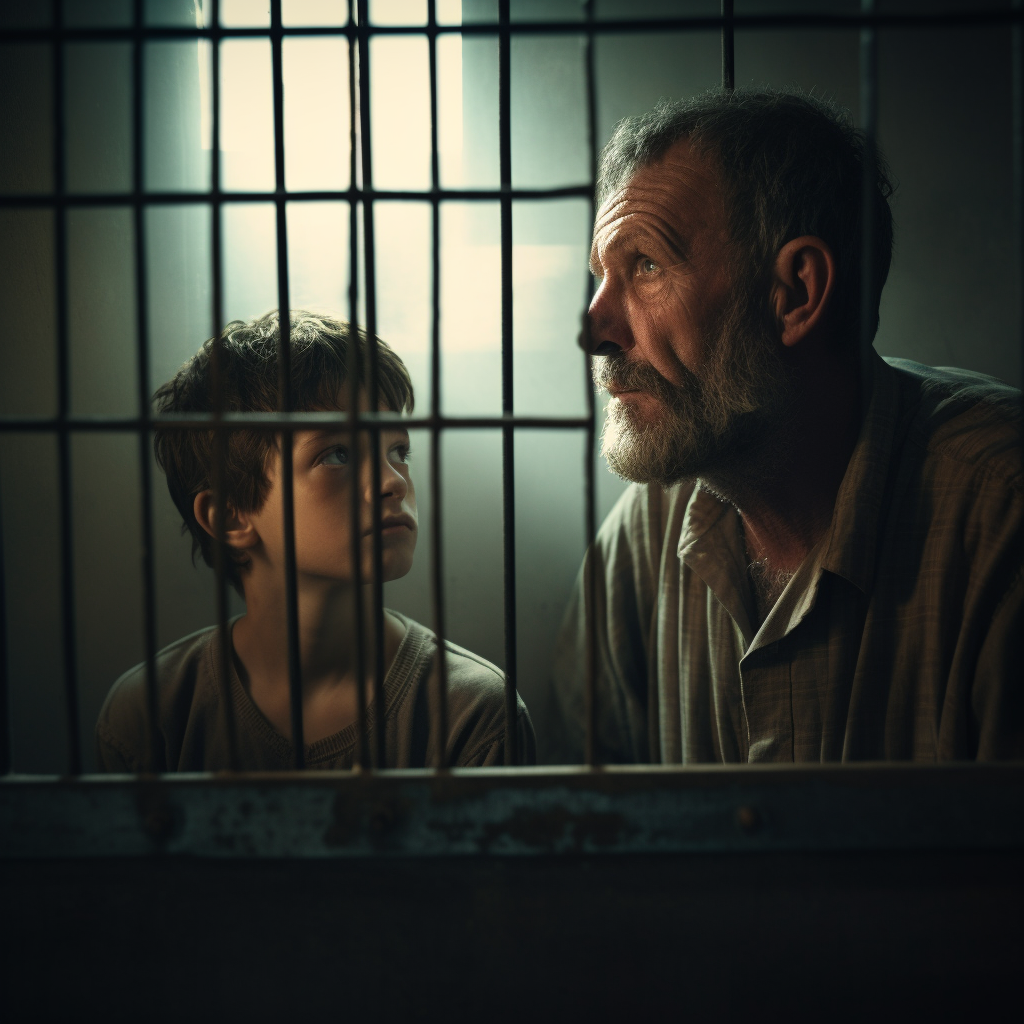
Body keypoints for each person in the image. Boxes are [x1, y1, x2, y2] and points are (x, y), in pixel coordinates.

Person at [552, 89, 1022, 763]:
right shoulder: (644, 533)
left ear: (797, 293)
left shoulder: (1002, 514)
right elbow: (584, 829)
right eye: (600, 278)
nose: (595, 329)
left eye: (646, 266)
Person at [97, 310, 535, 770]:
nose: (393, 482)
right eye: (338, 454)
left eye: (398, 451)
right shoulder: (150, 717)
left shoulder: (474, 716)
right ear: (230, 516)